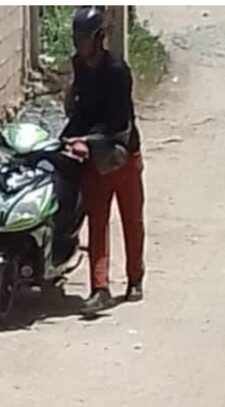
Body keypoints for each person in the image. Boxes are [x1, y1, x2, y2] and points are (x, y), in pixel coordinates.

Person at [61, 5, 146, 315]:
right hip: (94, 160)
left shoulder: (117, 72)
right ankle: (100, 288)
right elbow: (81, 111)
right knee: (97, 222)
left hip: (122, 154)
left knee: (131, 219)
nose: (81, 45)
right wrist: (68, 137)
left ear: (99, 38)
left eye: (85, 38)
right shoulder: (80, 67)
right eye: (78, 38)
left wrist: (87, 140)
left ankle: (135, 278)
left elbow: (117, 121)